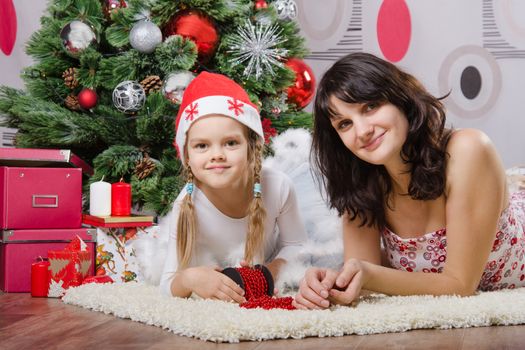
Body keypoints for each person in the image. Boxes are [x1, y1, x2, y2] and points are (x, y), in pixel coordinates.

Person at [293, 52, 525, 309]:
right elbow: (362, 282)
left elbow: (460, 285)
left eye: (370, 107)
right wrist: (330, 284)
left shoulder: (468, 149)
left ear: (400, 99)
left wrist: (369, 275)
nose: (362, 131)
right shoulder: (361, 184)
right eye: (345, 124)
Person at [160, 72, 306, 303]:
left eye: (231, 143)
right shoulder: (186, 204)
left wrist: (270, 271)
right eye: (202, 146)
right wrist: (189, 279)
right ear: (186, 156)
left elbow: (296, 244)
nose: (217, 155)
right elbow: (167, 284)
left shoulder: (277, 187)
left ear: (251, 147)